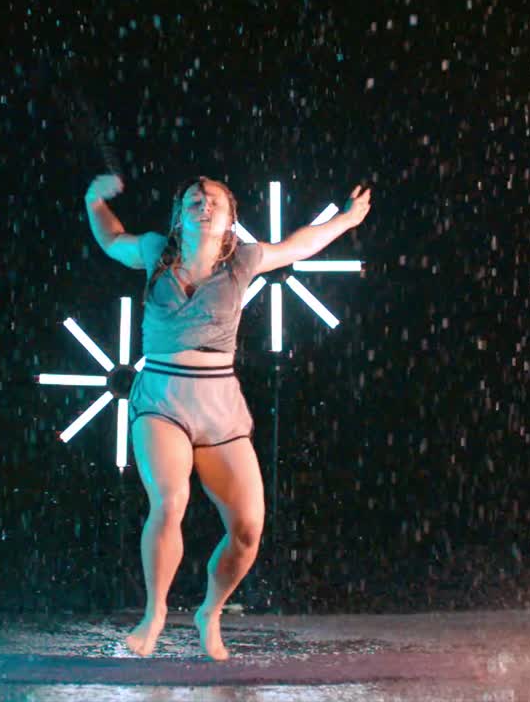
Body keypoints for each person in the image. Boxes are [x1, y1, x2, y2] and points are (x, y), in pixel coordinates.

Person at [84, 173, 371, 661]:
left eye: (213, 199)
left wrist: (345, 220)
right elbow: (112, 239)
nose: (203, 203)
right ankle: (154, 615)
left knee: (247, 530)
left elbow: (300, 244)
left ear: (230, 218)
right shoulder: (155, 253)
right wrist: (94, 201)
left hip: (219, 404)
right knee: (171, 499)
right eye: (194, 198)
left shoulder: (244, 260)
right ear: (180, 217)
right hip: (161, 397)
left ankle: (209, 612)